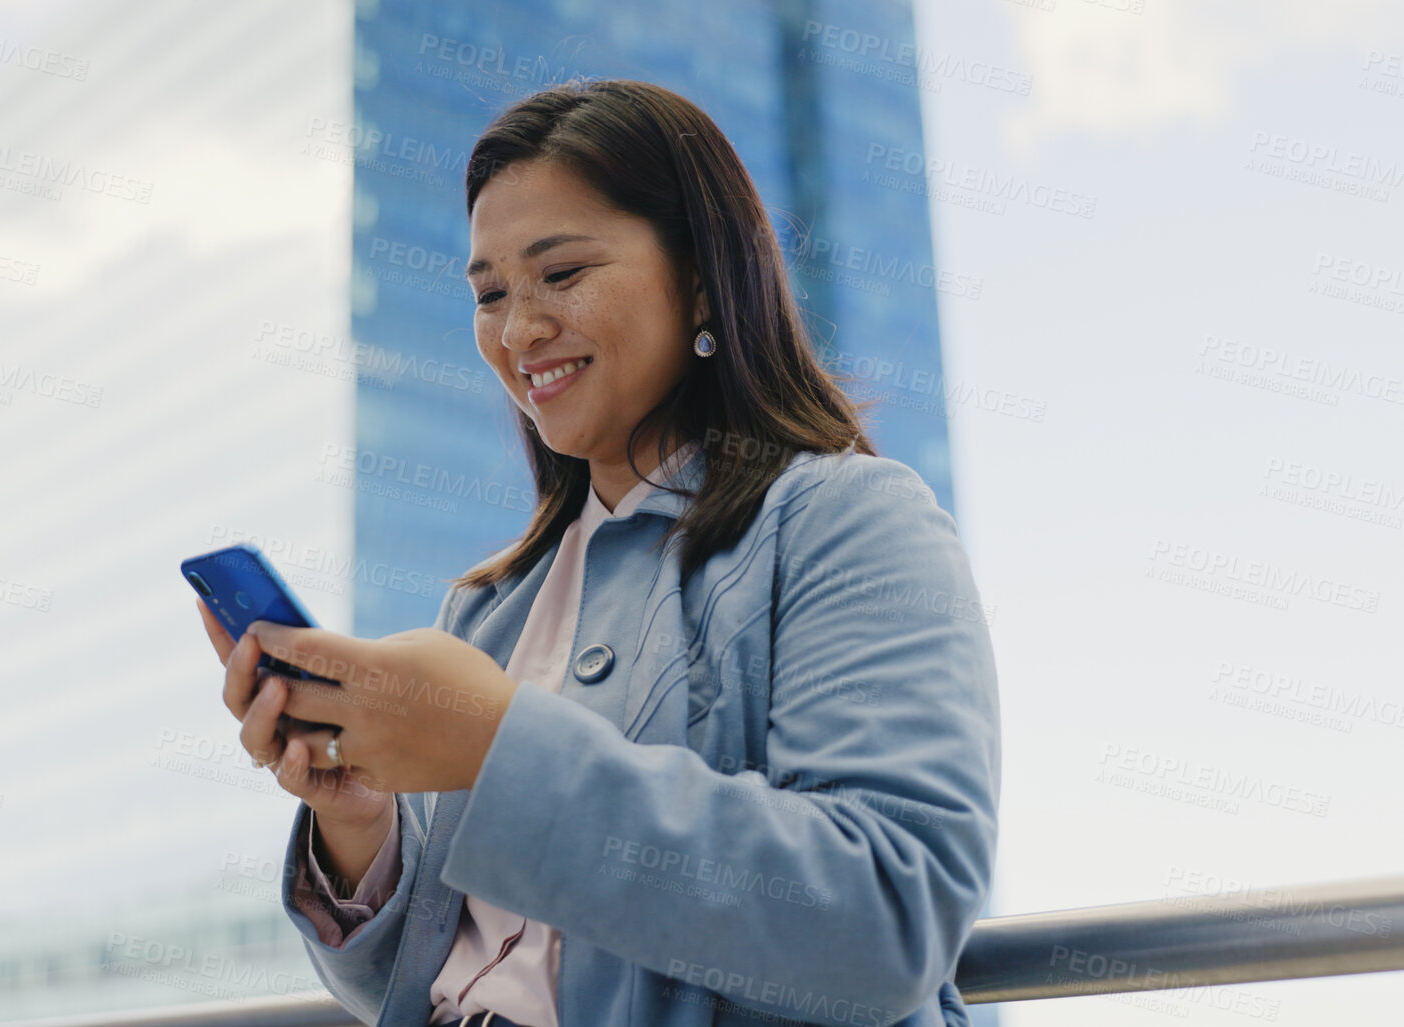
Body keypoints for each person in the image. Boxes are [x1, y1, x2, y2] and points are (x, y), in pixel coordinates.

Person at [195, 78, 1000, 1027]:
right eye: (489, 292)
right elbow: (431, 982)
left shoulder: (849, 523)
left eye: (562, 273)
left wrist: (495, 748)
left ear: (700, 275)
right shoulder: (490, 606)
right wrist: (359, 822)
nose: (517, 329)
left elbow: (884, 921)